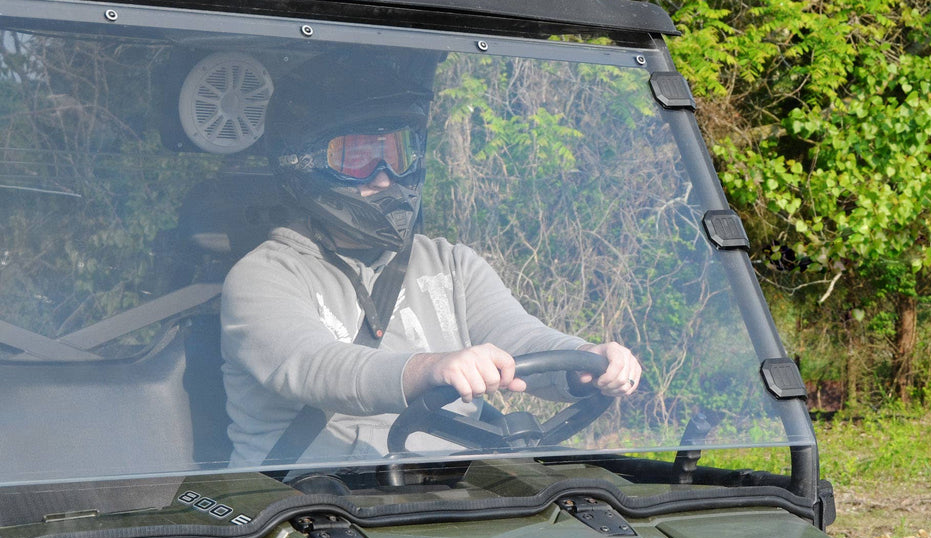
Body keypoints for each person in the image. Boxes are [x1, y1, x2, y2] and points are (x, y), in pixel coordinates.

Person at [219, 48, 642, 467]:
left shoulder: (452, 264)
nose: (385, 176)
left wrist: (585, 359)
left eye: (397, 152)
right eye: (357, 158)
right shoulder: (263, 276)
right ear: (305, 162)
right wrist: (432, 369)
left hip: (442, 495)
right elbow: (317, 367)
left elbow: (519, 339)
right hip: (295, 503)